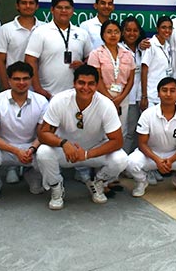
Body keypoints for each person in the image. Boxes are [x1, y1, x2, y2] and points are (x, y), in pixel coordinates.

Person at [35, 65, 129, 210]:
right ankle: (56, 188)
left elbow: (117, 141)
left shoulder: (106, 105)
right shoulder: (60, 100)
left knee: (121, 159)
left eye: (91, 83)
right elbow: (43, 133)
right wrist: (63, 143)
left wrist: (86, 154)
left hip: (92, 152)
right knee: (43, 152)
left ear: (97, 85)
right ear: (74, 83)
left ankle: (98, 182)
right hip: (66, 152)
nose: (85, 87)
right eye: (81, 83)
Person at [0, 62, 49, 200]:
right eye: (17, 79)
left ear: (31, 79)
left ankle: (33, 177)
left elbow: (43, 134)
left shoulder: (41, 101)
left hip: (30, 149)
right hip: (4, 149)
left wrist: (32, 149)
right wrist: (16, 151)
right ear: (9, 80)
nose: (21, 82)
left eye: (25, 78)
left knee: (48, 153)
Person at [128, 77, 176, 197]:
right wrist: (157, 160)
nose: (168, 94)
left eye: (172, 90)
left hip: (174, 155)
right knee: (130, 162)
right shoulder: (148, 114)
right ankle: (142, 182)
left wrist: (171, 160)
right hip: (151, 155)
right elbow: (142, 144)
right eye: (164, 90)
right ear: (158, 93)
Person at [25, 0, 92, 100]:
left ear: (72, 10)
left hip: (75, 93)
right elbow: (30, 60)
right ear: (52, 10)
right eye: (59, 7)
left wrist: (83, 65)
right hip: (47, 93)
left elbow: (91, 58)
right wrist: (38, 89)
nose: (64, 11)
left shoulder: (82, 33)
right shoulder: (41, 32)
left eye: (67, 8)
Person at [87, 19, 136, 130]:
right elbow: (96, 78)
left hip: (122, 97)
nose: (113, 35)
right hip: (102, 96)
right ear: (102, 34)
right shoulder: (96, 54)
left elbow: (131, 80)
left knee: (121, 129)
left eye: (116, 32)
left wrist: (120, 99)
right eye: (109, 32)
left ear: (121, 34)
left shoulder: (127, 54)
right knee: (102, 130)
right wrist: (109, 99)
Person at [0, 0, 44, 90]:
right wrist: (6, 86)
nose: (27, 6)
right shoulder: (6, 29)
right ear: (17, 6)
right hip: (15, 84)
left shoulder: (45, 28)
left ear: (37, 6)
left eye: (31, 3)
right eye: (24, 3)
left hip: (40, 85)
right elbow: (0, 60)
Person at [119, 16, 146, 155]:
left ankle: (131, 162)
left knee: (137, 132)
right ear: (122, 32)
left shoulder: (142, 49)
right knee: (126, 132)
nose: (132, 33)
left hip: (139, 96)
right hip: (124, 97)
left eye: (135, 30)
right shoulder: (118, 49)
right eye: (128, 30)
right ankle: (122, 162)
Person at [141, 16, 173, 108]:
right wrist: (144, 96)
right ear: (157, 28)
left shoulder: (168, 46)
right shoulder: (150, 45)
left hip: (163, 96)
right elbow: (144, 71)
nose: (167, 30)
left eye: (170, 28)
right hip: (150, 96)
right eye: (163, 27)